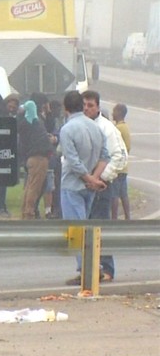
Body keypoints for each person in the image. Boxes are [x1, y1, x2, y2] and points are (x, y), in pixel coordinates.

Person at [58, 91, 107, 286]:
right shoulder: (95, 127)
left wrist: (88, 178)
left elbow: (73, 161)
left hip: (72, 184)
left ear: (65, 107)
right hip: (89, 187)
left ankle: (89, 269)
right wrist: (94, 179)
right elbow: (105, 155)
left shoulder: (68, 129)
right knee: (85, 226)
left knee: (77, 230)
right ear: (82, 105)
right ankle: (92, 267)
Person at [82, 91, 127, 283]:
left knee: (100, 228)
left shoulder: (107, 128)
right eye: (84, 105)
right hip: (83, 187)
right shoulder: (79, 126)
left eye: (90, 105)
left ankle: (107, 269)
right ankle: (89, 270)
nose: (86, 108)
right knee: (85, 231)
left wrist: (101, 178)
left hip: (102, 187)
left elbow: (120, 156)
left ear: (98, 107)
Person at [17, 101, 54, 219]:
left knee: (29, 185)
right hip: (39, 158)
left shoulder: (23, 124)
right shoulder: (34, 124)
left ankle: (25, 210)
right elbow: (43, 140)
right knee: (35, 187)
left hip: (31, 158)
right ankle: (29, 211)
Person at [0, 94, 19, 218]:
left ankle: (2, 206)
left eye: (14, 107)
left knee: (4, 182)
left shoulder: (10, 118)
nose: (11, 108)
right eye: (10, 106)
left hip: (6, 153)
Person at [111, 104, 131, 220]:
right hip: (124, 167)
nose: (112, 113)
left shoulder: (118, 129)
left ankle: (114, 218)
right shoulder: (125, 127)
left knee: (114, 195)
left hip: (117, 168)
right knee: (123, 194)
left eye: (114, 111)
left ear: (119, 112)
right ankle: (127, 217)